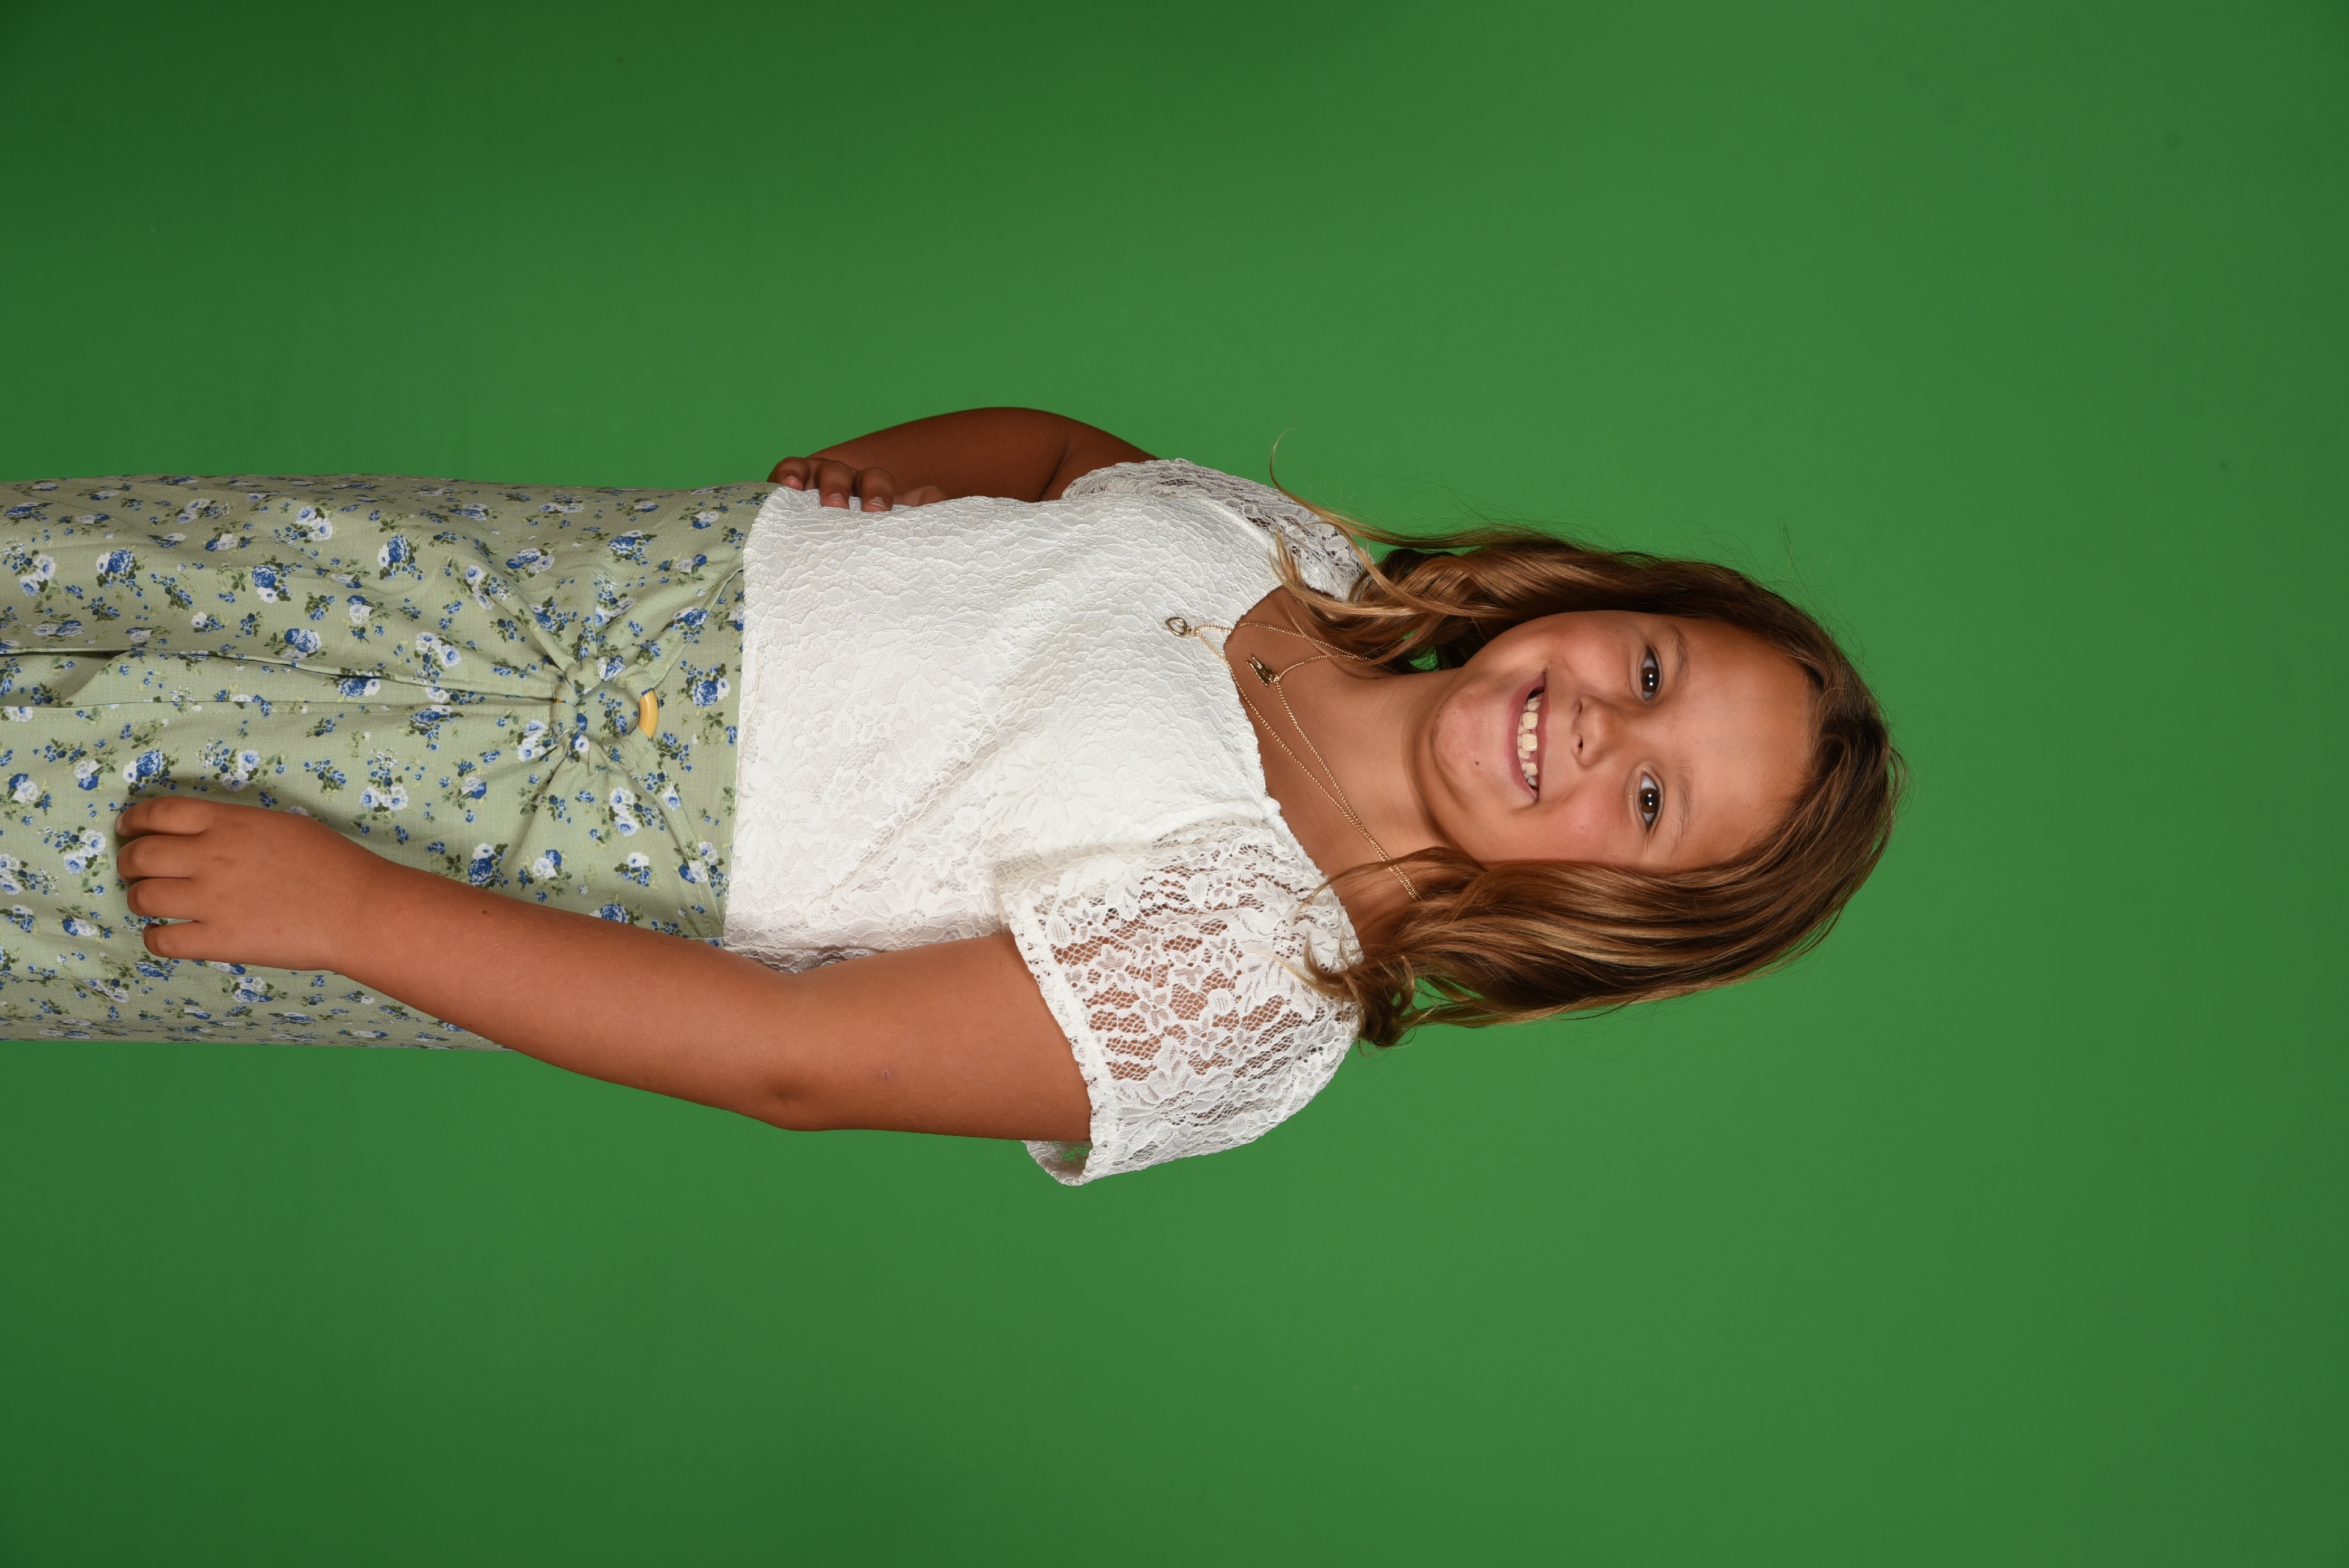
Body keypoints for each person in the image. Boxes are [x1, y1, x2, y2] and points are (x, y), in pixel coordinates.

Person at [0, 407, 1901, 1182]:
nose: (1599, 729)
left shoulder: (1254, 982)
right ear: (1614, 602)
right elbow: (1074, 465)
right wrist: (895, 481)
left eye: (1652, 803)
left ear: (1619, 913)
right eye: (1654, 671)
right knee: (67, 562)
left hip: (488, 830)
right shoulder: (1298, 561)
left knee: (49, 818)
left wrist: (355, 914)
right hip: (518, 575)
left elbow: (797, 1060)